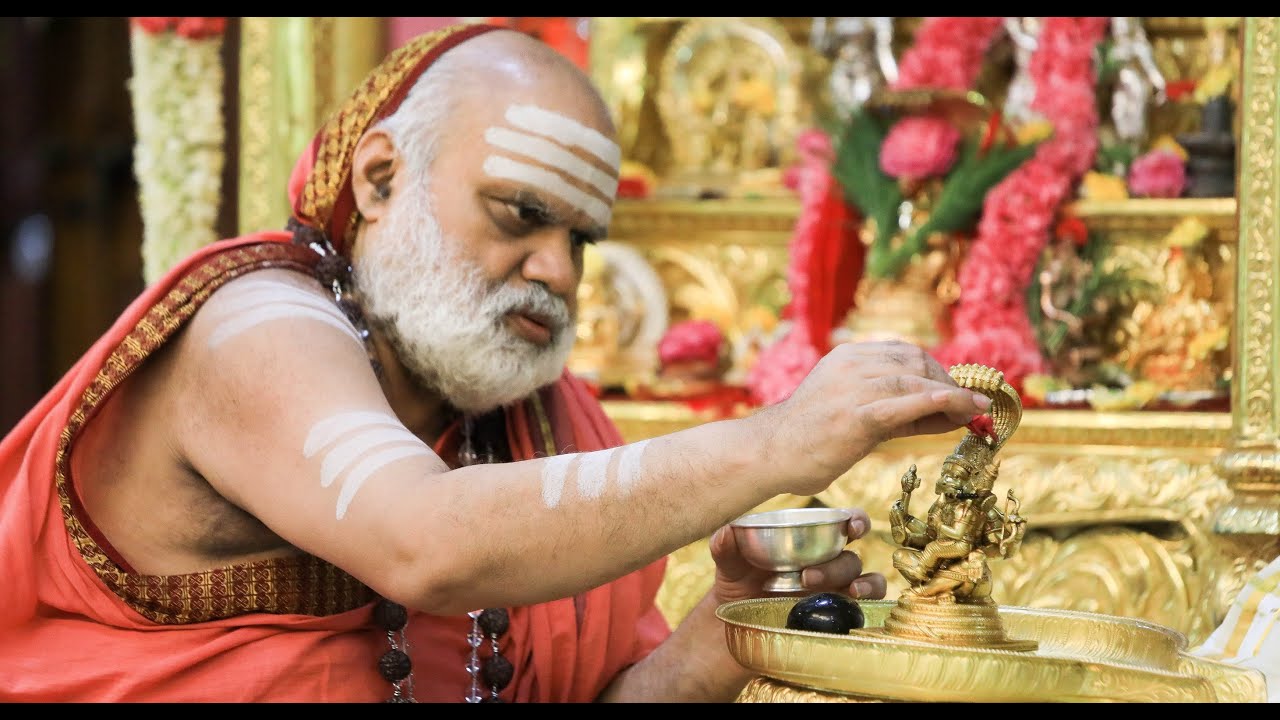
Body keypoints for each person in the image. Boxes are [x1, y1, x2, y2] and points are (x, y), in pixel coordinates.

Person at [0, 23, 992, 702]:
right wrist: (777, 440)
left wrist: (722, 630)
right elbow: (423, 543)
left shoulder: (522, 412)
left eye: (581, 242)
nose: (555, 273)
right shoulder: (252, 327)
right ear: (380, 176)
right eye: (520, 216)